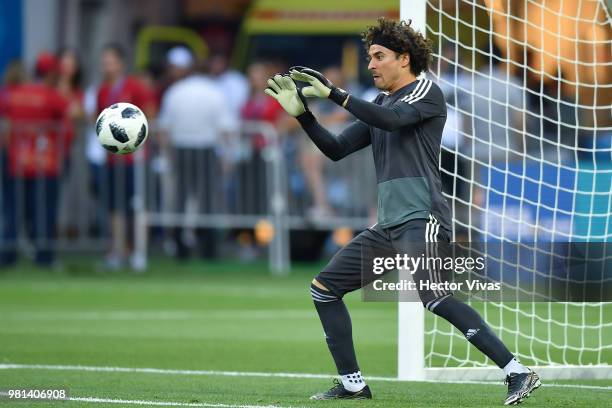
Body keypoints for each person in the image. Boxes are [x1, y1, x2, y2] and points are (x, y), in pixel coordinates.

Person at [265, 18, 540, 405]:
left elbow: (392, 123)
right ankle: (353, 384)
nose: (371, 65)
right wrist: (303, 115)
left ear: (404, 59)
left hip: (421, 216)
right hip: (390, 222)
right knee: (324, 289)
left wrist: (336, 95)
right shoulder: (381, 103)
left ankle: (517, 372)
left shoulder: (425, 92)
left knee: (434, 296)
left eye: (379, 57)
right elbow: (337, 148)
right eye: (369, 58)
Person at [157, 47, 237, 259]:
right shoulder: (215, 92)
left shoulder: (176, 91)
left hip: (181, 148)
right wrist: (229, 156)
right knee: (209, 199)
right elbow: (226, 128)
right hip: (206, 148)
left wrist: (165, 155)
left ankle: (179, 245)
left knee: (181, 197)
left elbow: (165, 128)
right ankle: (208, 246)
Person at [0, 53, 76, 267]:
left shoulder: (12, 94)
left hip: (17, 161)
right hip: (46, 163)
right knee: (44, 211)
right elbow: (76, 112)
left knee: (13, 210)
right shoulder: (51, 95)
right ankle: (44, 257)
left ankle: (7, 256)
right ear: (52, 73)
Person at [96, 43, 155, 270]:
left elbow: (150, 113)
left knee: (138, 205)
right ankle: (118, 250)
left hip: (136, 159)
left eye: (110, 61)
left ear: (120, 63)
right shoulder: (102, 90)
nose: (106, 66)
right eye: (104, 62)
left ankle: (139, 251)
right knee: (115, 206)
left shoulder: (135, 86)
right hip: (113, 159)